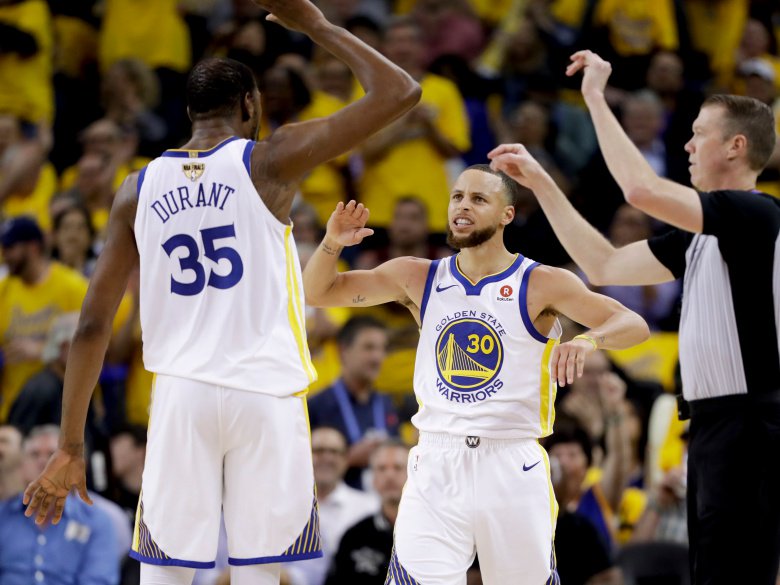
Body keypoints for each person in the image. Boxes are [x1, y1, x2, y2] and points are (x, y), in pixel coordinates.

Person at [22, 2, 421, 585]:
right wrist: (316, 25)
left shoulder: (136, 189)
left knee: (165, 573)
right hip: (264, 392)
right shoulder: (268, 160)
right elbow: (400, 92)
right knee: (260, 573)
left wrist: (70, 445)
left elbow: (91, 326)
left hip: (181, 394)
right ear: (250, 106)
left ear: (189, 113)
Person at [488, 49, 780, 585]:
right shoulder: (701, 237)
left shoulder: (756, 215)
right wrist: (543, 184)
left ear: (736, 146)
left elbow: (640, 189)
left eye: (698, 133)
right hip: (717, 429)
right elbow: (604, 263)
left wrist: (596, 98)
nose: (687, 144)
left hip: (750, 427)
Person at [303, 165, 649, 584]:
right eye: (457, 197)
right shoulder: (419, 275)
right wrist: (331, 243)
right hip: (436, 460)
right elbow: (318, 292)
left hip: (511, 460)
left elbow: (632, 323)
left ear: (507, 214)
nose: (463, 206)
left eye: (479, 199)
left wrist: (588, 341)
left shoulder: (540, 282)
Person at [0, 425, 119, 585]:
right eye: (34, 455)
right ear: (22, 465)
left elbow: (98, 580)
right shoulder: (3, 515)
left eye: (52, 455)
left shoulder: (96, 521)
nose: (43, 462)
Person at [308, 316, 400, 489]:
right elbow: (303, 467)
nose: (377, 357)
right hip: (333, 508)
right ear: (343, 351)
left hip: (380, 508)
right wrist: (348, 458)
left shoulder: (387, 404)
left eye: (382, 349)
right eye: (368, 348)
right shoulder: (316, 405)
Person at [283, 426, 378, 585]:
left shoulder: (368, 508)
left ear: (346, 459)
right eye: (318, 450)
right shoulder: (282, 508)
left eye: (334, 452)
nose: (326, 458)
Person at [326, 440, 408, 585]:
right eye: (381, 468)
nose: (389, 475)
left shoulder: (436, 531)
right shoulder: (355, 536)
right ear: (373, 479)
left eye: (398, 468)